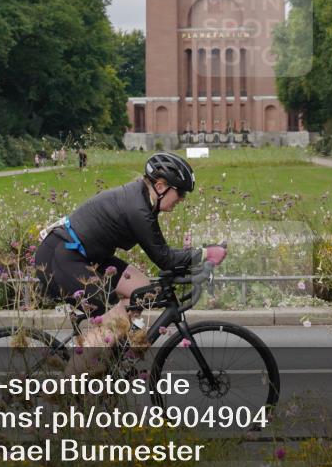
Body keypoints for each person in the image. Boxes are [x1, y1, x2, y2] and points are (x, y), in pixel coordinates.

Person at [34, 152, 227, 372]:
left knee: (142, 290)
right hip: (60, 257)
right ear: (161, 186)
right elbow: (164, 258)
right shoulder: (138, 209)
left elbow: (165, 254)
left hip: (86, 255)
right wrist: (205, 253)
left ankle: (112, 359)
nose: (182, 199)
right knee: (111, 323)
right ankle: (67, 386)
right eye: (180, 192)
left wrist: (198, 258)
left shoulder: (144, 200)